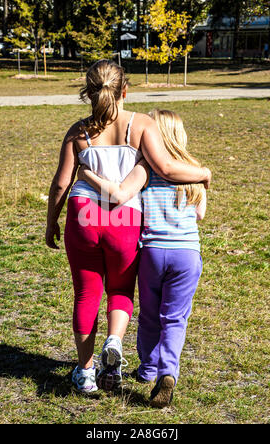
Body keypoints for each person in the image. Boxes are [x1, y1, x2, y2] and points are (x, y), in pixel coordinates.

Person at [46, 59, 211, 394]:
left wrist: (51, 222)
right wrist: (203, 173)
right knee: (120, 290)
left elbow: (61, 184)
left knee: (85, 292)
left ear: (88, 93)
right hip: (124, 218)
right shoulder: (140, 124)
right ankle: (115, 341)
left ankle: (86, 370)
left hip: (83, 214)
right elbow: (165, 167)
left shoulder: (78, 131)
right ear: (124, 90)